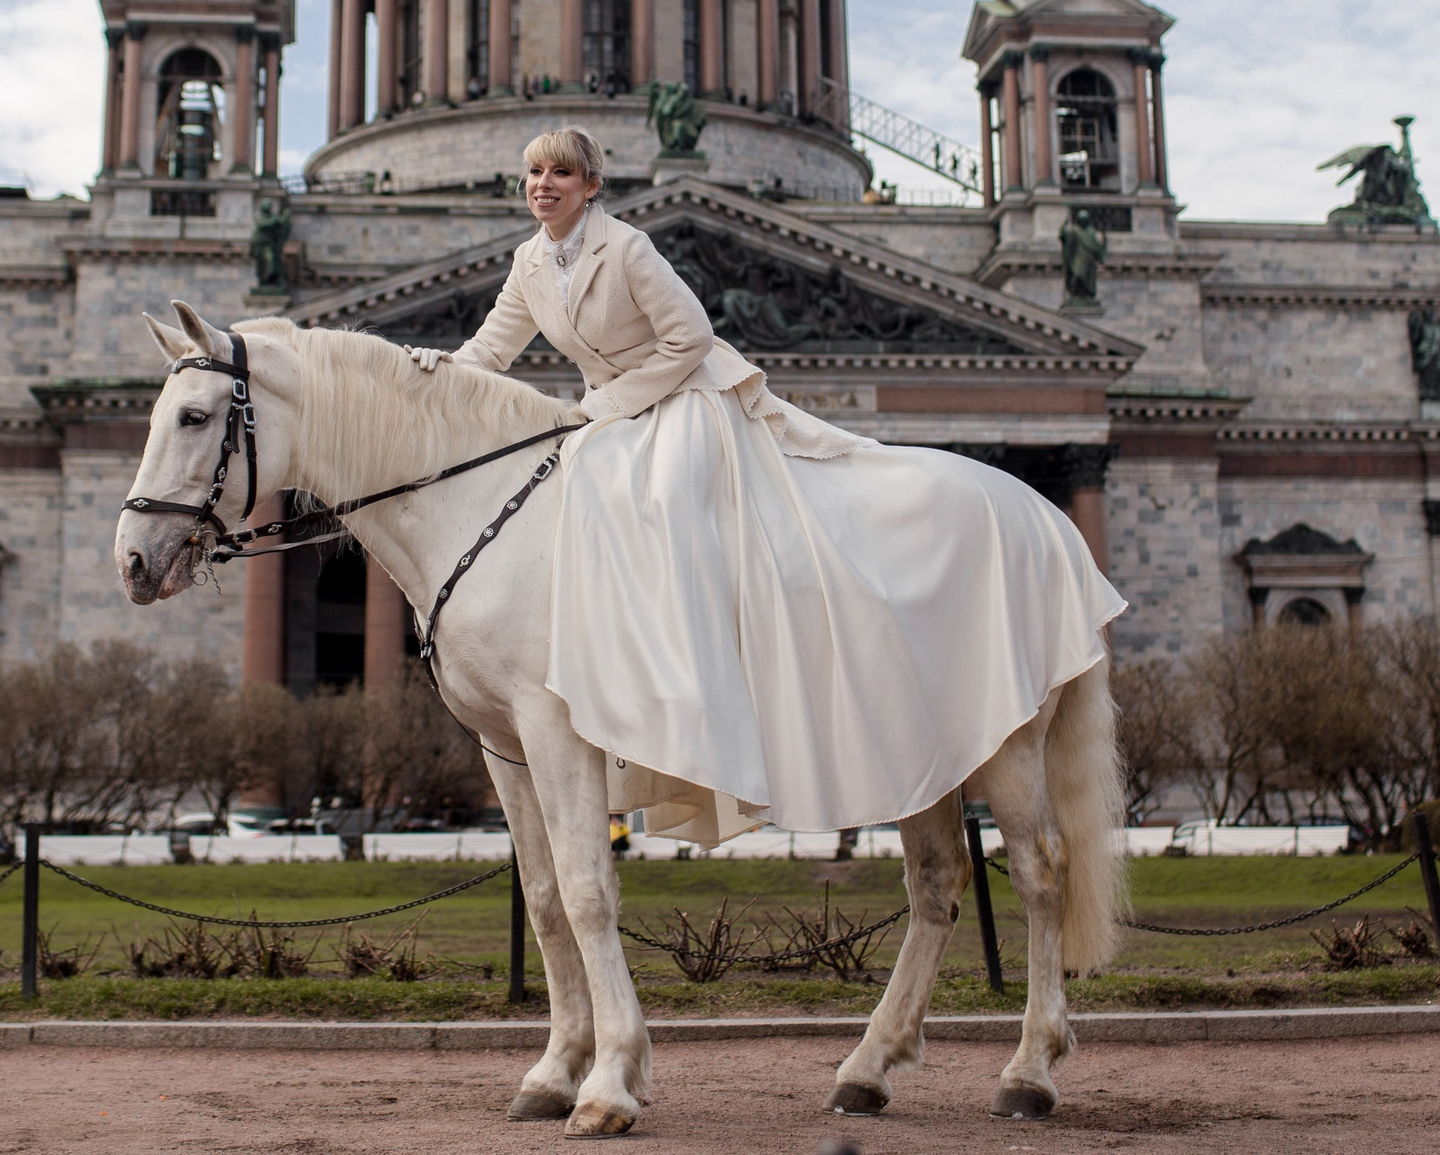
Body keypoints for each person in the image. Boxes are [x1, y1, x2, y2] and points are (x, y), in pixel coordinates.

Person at [406, 127, 1123, 844]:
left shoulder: (625, 247)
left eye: (560, 172)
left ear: (590, 185)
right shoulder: (530, 262)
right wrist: (420, 377)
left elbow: (689, 338)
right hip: (611, 416)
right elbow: (489, 350)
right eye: (534, 172)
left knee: (670, 503)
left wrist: (611, 403)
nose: (543, 184)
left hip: (685, 398)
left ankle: (705, 676)